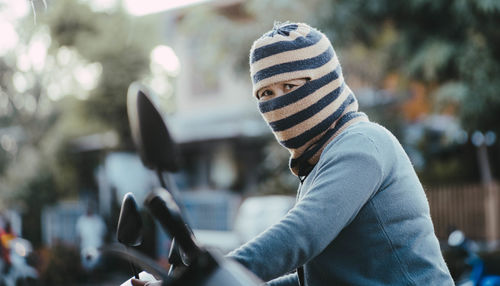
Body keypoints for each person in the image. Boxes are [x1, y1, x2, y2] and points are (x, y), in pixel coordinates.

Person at [132, 21, 454, 286]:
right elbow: (310, 279)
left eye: (291, 87)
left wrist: (204, 276)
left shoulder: (361, 145)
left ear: (326, 80)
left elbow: (299, 236)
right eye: (266, 94)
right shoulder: (316, 165)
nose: (278, 104)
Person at [75, 202, 107, 272]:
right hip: (85, 248)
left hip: (97, 247)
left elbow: (103, 235)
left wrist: (102, 248)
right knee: (87, 267)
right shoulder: (81, 220)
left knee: (95, 266)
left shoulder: (98, 220)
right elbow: (79, 236)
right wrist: (78, 248)